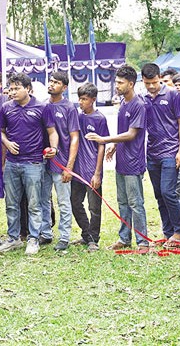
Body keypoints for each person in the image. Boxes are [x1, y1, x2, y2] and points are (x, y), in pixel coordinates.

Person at [88, 65, 150, 254]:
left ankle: (143, 242)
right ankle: (124, 238)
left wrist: (105, 140)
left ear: (131, 84)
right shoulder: (123, 103)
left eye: (121, 82)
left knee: (135, 203)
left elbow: (132, 134)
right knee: (122, 202)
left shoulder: (138, 105)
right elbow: (123, 130)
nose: (117, 85)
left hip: (133, 163)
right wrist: (114, 146)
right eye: (116, 82)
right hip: (121, 162)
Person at [0, 74, 50, 255]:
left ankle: (33, 239)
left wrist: (53, 149)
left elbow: (51, 132)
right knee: (11, 203)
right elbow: (1, 131)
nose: (13, 92)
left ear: (28, 89)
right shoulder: (6, 108)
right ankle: (13, 238)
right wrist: (7, 143)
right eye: (10, 89)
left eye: (17, 88)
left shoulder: (41, 107)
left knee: (34, 204)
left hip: (33, 163)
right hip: (12, 163)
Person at [141, 63, 180, 248]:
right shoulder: (143, 98)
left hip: (171, 150)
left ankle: (179, 231)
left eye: (154, 82)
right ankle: (168, 232)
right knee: (159, 194)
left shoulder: (173, 95)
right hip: (152, 152)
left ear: (159, 77)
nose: (151, 86)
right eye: (147, 83)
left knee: (169, 192)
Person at [43, 71, 80, 251]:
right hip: (43, 163)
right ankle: (45, 233)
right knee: (43, 200)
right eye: (50, 81)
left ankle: (64, 237)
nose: (51, 84)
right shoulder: (43, 105)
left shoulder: (69, 108)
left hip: (62, 163)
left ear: (64, 87)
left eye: (56, 82)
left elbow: (75, 137)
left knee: (64, 202)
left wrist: (69, 167)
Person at [72, 82, 107, 252]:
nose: (81, 102)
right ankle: (86, 234)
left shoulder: (100, 119)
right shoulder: (77, 117)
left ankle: (94, 239)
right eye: (79, 99)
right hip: (77, 170)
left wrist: (97, 173)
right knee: (74, 202)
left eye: (85, 99)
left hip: (92, 169)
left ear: (93, 99)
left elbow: (102, 145)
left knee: (94, 207)